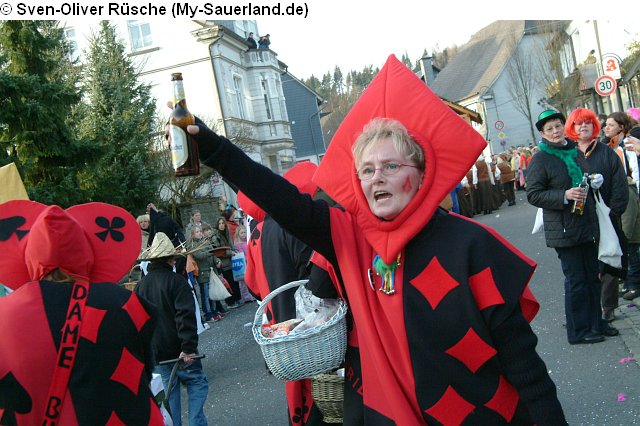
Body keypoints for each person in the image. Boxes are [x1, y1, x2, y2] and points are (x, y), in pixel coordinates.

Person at [179, 55, 566, 424]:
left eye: (391, 165)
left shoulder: (473, 245)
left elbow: (525, 366)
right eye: (366, 170)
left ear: (421, 174)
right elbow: (279, 198)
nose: (376, 176)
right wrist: (213, 148)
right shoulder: (348, 237)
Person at [0, 200, 163, 425]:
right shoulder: (125, 303)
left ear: (30, 256)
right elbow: (147, 369)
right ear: (86, 251)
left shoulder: (4, 316)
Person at [527, 109, 625, 345]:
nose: (555, 131)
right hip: (563, 228)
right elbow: (534, 194)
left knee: (592, 277)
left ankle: (597, 323)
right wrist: (564, 195)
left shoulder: (574, 151)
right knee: (576, 280)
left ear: (564, 126)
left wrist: (593, 181)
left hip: (586, 223)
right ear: (543, 133)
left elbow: (584, 177)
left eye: (558, 126)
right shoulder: (541, 159)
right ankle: (579, 330)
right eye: (550, 129)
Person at [136, 232, 209, 426]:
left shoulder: (141, 286)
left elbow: (139, 322)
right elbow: (185, 316)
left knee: (170, 394)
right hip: (180, 349)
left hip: (157, 352)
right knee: (196, 383)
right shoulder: (177, 282)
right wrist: (188, 347)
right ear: (171, 259)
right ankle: (196, 423)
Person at [211, 216, 243, 308]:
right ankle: (230, 302)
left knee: (234, 281)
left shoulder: (227, 233)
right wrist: (230, 252)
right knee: (228, 283)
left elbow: (231, 245)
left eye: (223, 223)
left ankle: (237, 299)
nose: (221, 225)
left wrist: (235, 250)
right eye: (219, 224)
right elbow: (218, 251)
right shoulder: (216, 237)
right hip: (224, 263)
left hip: (231, 261)